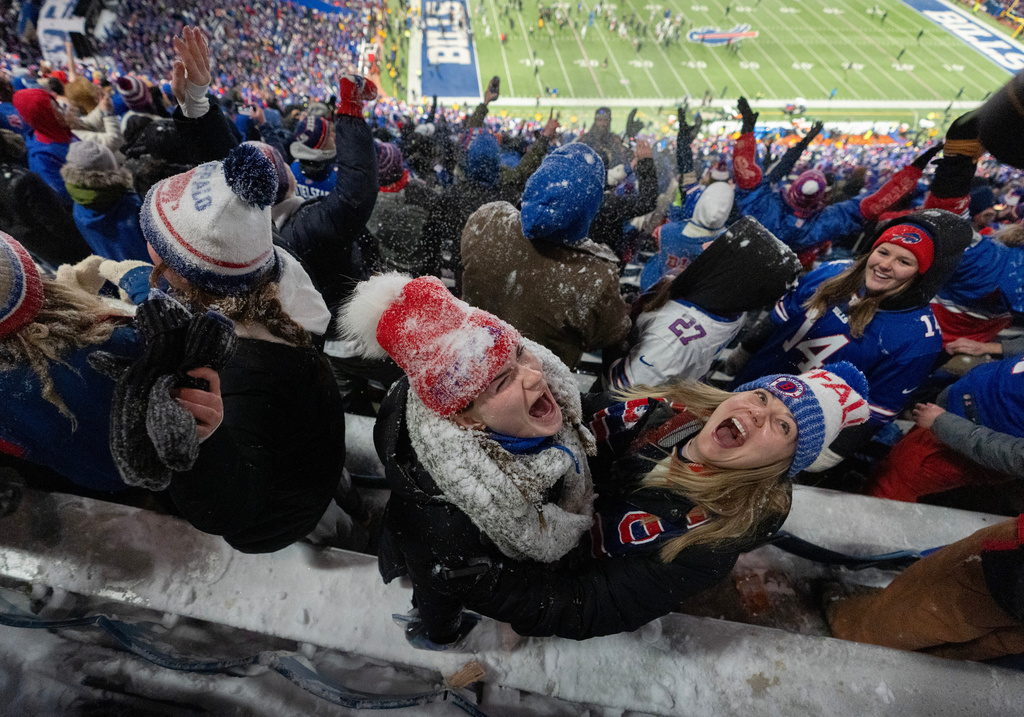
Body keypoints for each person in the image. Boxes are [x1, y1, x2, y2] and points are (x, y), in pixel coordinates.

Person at [340, 275, 871, 646]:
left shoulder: (713, 538)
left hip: (559, 571)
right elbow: (584, 425)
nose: (757, 416)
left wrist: (496, 589)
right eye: (760, 398)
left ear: (785, 463)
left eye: (782, 427)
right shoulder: (666, 410)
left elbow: (593, 605)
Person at [734, 210, 971, 448]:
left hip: (790, 434)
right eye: (883, 251)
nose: (885, 265)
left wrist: (828, 455)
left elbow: (874, 413)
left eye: (904, 261)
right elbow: (778, 319)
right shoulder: (832, 271)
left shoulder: (919, 338)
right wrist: (745, 350)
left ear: (922, 274)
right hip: (750, 388)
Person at [460, 143, 630, 370]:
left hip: (469, 367)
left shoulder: (489, 219)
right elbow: (608, 336)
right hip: (538, 394)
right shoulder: (596, 275)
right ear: (590, 205)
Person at [608, 217, 801, 390]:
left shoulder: (673, 337)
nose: (705, 245)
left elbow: (622, 390)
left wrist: (615, 335)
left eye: (720, 246)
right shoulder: (733, 309)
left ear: (734, 272)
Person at [825, 515, 1024, 662]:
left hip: (1011, 570)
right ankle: (921, 660)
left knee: (925, 607)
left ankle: (853, 626)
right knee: (989, 645)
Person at [863, 347, 1024, 503]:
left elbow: (1016, 456)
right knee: (894, 460)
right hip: (949, 416)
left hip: (958, 442)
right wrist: (995, 347)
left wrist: (942, 423)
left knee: (893, 481)